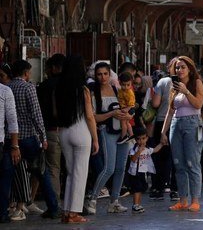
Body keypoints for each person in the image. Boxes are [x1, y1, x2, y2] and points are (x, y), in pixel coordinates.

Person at [8, 59, 60, 220]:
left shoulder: (7, 88)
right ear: (25, 73)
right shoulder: (28, 88)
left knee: (12, 174)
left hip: (11, 139)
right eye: (29, 72)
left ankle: (12, 207)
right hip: (29, 137)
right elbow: (36, 114)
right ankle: (53, 207)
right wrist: (43, 136)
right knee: (41, 173)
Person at [85, 61, 133, 214]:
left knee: (121, 168)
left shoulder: (116, 88)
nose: (103, 77)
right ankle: (92, 199)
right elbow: (93, 117)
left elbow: (128, 105)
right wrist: (112, 114)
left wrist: (127, 116)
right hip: (107, 130)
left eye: (105, 74)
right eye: (99, 74)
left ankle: (115, 201)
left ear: (110, 74)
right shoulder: (93, 92)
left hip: (122, 129)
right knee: (109, 167)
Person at [56, 55, 99, 223]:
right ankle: (74, 212)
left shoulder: (59, 88)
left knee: (70, 172)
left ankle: (66, 210)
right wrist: (95, 139)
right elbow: (89, 116)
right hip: (81, 131)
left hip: (64, 131)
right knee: (80, 173)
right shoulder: (83, 89)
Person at [160, 56, 203, 212]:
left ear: (190, 69)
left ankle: (195, 200)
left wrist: (186, 91)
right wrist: (163, 131)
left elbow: (198, 104)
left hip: (192, 123)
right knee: (178, 164)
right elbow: (170, 110)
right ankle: (182, 200)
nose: (179, 70)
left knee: (192, 163)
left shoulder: (196, 83)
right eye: (177, 68)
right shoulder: (174, 87)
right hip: (176, 125)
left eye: (183, 67)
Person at [37, 53, 65, 200]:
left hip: (51, 131)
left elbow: (38, 111)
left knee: (53, 168)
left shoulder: (44, 86)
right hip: (71, 130)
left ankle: (55, 202)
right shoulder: (71, 84)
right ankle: (73, 203)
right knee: (72, 168)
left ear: (53, 68)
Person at [149, 61, 177, 201]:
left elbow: (155, 103)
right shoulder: (188, 83)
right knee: (177, 157)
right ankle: (176, 189)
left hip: (162, 122)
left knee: (160, 157)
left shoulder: (163, 82)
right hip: (179, 122)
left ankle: (158, 188)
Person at [127, 128, 164, 214]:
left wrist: (161, 144)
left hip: (142, 172)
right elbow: (132, 159)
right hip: (134, 172)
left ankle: (138, 204)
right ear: (136, 140)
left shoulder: (147, 148)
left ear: (147, 138)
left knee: (140, 189)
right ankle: (135, 205)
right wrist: (139, 152)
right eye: (139, 139)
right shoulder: (134, 148)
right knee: (137, 189)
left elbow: (155, 150)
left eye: (143, 138)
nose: (141, 141)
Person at [0, 64, 19, 223]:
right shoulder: (5, 91)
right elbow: (12, 121)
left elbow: (13, 121)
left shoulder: (5, 91)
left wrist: (14, 145)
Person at [116, 72, 136, 144]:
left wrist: (126, 109)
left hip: (129, 108)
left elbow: (131, 104)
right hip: (125, 107)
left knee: (123, 122)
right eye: (124, 85)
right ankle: (131, 135)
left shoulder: (129, 92)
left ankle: (123, 136)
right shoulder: (121, 90)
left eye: (128, 85)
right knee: (127, 123)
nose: (126, 87)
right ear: (120, 82)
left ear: (131, 84)